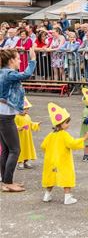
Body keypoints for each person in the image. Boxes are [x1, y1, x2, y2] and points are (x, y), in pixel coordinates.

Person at [0, 48, 36, 193]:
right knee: (15, 149)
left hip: (3, 114)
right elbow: (27, 74)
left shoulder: (3, 72)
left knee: (7, 150)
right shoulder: (8, 73)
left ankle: (6, 181)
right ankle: (8, 183)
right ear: (11, 61)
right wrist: (32, 59)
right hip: (5, 116)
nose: (20, 60)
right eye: (18, 58)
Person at [42, 102, 88, 205]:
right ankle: (67, 197)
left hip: (51, 160)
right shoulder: (64, 135)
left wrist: (51, 152)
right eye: (67, 122)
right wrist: (84, 138)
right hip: (62, 160)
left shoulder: (50, 135)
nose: (69, 124)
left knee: (51, 177)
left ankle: (47, 195)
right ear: (61, 124)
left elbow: (43, 146)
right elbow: (72, 143)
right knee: (66, 176)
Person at [15, 97, 39, 170]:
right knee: (21, 148)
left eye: (27, 109)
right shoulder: (16, 117)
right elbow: (14, 125)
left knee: (27, 148)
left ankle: (26, 161)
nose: (26, 111)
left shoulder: (28, 116)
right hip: (20, 137)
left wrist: (36, 124)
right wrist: (19, 128)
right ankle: (20, 162)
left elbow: (30, 124)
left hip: (27, 137)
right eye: (25, 109)